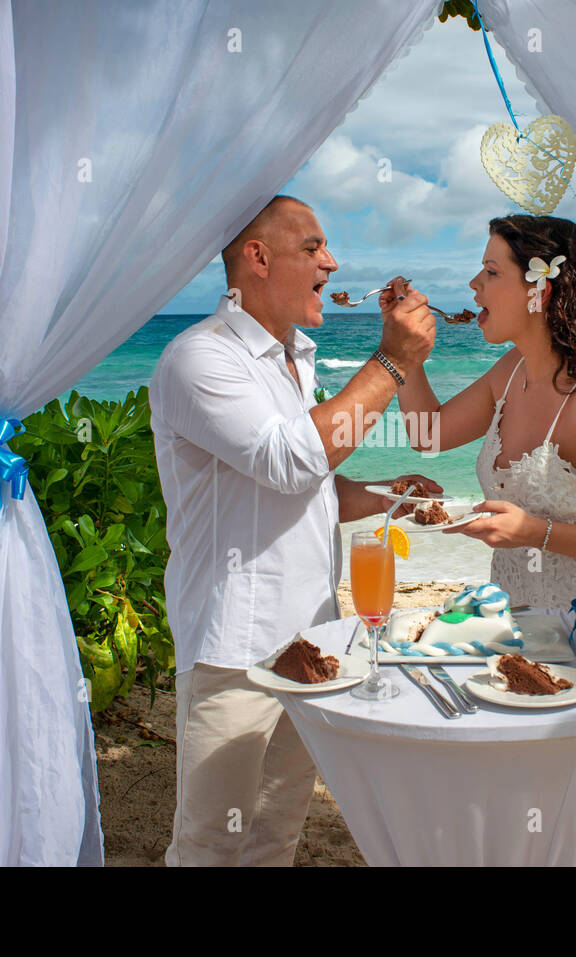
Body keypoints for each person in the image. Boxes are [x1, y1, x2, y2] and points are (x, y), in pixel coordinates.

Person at [150, 195, 438, 865]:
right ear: (257, 257)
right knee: (208, 846)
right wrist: (391, 363)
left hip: (311, 639)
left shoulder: (293, 358)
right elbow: (290, 461)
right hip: (234, 651)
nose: (332, 262)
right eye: (312, 248)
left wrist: (387, 496)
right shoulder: (199, 359)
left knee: (275, 838)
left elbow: (306, 484)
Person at [393, 214, 576, 867]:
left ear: (539, 288)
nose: (473, 283)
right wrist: (406, 358)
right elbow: (427, 432)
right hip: (516, 627)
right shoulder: (508, 373)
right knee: (533, 813)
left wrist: (535, 531)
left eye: (491, 272)